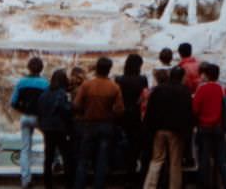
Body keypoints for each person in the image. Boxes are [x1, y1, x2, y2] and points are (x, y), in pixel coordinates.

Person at [73, 57, 124, 189]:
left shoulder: (87, 85)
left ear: (96, 68)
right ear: (109, 70)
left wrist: (86, 111)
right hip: (106, 125)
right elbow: (119, 110)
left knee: (83, 159)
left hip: (89, 124)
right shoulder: (114, 87)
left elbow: (76, 105)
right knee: (102, 160)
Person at [142, 66, 193, 189]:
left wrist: (149, 128)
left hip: (159, 130)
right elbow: (188, 112)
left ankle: (149, 186)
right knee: (175, 162)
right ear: (182, 77)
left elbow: (150, 110)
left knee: (156, 160)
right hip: (176, 131)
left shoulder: (159, 89)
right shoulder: (184, 91)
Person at [192, 63, 226, 189]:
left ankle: (204, 186)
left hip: (204, 128)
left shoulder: (201, 89)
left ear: (207, 75)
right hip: (219, 129)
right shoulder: (222, 89)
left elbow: (194, 109)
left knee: (204, 160)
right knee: (221, 160)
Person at [11, 56, 50, 189]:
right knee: (49, 144)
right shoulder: (45, 84)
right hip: (41, 118)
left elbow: (13, 102)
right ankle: (51, 172)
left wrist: (22, 110)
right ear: (41, 69)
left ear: (28, 68)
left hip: (26, 117)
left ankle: (25, 180)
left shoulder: (21, 82)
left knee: (25, 148)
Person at [115, 54, 148, 187]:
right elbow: (144, 97)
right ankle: (134, 174)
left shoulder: (120, 79)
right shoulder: (142, 79)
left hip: (123, 115)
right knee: (136, 146)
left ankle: (125, 173)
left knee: (124, 143)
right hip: (136, 115)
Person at [37, 69, 73, 189]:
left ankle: (48, 184)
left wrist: (42, 125)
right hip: (60, 128)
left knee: (49, 157)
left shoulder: (44, 93)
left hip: (47, 128)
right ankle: (68, 183)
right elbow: (65, 110)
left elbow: (40, 110)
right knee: (66, 155)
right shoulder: (62, 93)